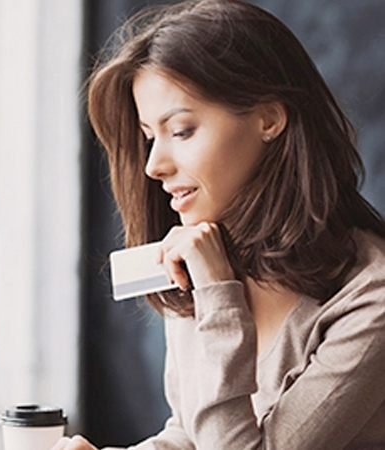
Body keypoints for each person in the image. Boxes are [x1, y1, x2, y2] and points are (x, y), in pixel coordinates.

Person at [52, 0, 385, 449]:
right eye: (150, 137)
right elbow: (194, 433)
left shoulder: (371, 300)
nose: (153, 165)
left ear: (269, 119)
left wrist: (218, 299)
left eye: (183, 130)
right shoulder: (204, 256)